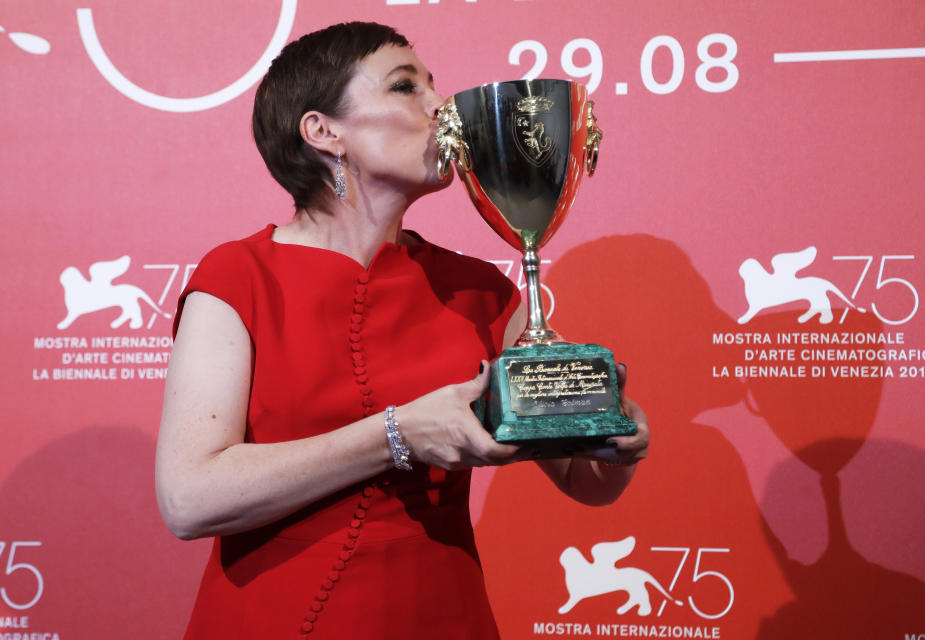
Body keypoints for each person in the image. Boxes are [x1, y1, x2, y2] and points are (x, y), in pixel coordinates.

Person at [155, 21, 649, 639]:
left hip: (444, 616)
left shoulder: (481, 291)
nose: (440, 107)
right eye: (404, 86)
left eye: (433, 85)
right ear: (322, 131)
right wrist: (399, 434)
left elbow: (586, 482)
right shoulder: (240, 274)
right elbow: (188, 498)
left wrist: (615, 445)